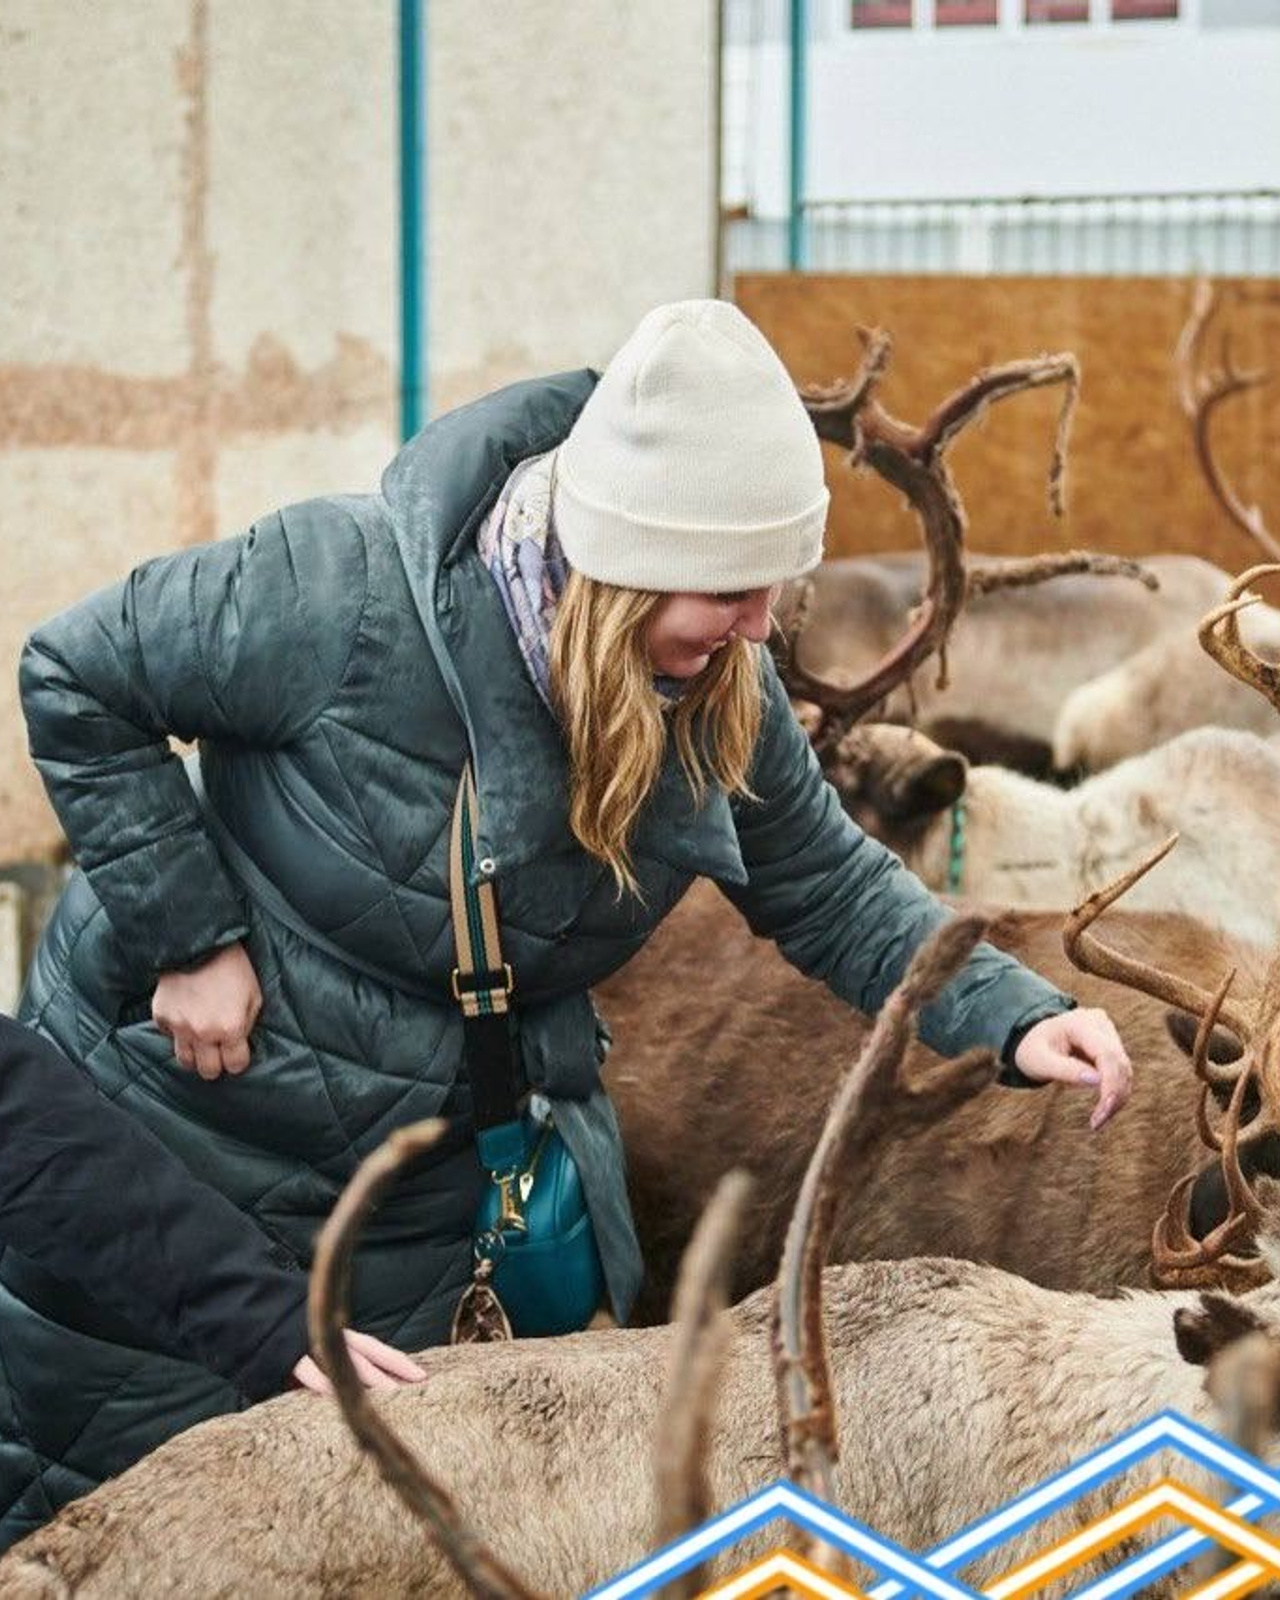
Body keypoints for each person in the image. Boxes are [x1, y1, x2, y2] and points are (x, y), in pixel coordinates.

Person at [3, 299, 1131, 1548]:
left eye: (772, 590)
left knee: (370, 1538)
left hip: (427, 1192)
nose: (759, 629)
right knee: (124, 1527)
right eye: (729, 590)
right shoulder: (334, 596)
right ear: (617, 562)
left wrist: (1012, 1016)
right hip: (180, 1154)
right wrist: (187, 933)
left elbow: (820, 878)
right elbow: (74, 672)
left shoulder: (711, 690)